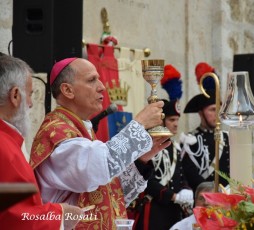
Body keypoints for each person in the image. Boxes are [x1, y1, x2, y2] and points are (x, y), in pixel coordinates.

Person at [30, 57, 170, 229]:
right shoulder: (56, 133)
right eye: (91, 80)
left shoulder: (80, 128)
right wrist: (139, 124)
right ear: (67, 90)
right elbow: (94, 171)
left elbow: (107, 194)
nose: (102, 86)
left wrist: (141, 160)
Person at [0, 55, 83, 229]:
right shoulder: (4, 148)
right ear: (15, 95)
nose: (30, 104)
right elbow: (14, 217)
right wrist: (60, 214)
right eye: (29, 94)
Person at [134, 65, 193, 230]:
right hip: (154, 210)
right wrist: (172, 196)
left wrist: (185, 190)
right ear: (161, 121)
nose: (176, 124)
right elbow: (146, 180)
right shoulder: (148, 144)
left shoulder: (174, 147)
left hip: (173, 210)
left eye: (177, 120)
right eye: (171, 120)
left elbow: (180, 176)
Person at [180, 62, 230, 192]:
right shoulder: (190, 140)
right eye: (212, 110)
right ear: (201, 113)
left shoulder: (227, 138)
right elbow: (189, 173)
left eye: (219, 109)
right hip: (203, 198)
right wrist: (210, 193)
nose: (217, 114)